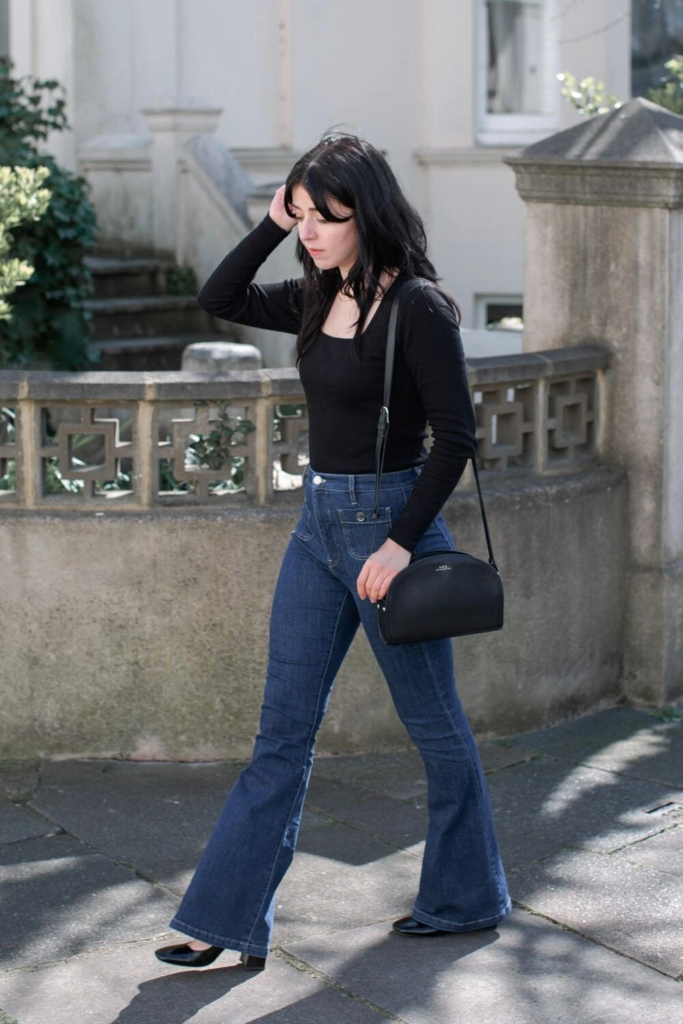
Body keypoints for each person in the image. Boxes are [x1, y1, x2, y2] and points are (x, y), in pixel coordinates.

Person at [155, 128, 511, 972]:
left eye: (327, 214)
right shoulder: (314, 294)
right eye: (303, 212)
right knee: (281, 733)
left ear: (369, 214)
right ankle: (225, 920)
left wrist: (394, 547)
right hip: (317, 527)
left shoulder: (417, 306)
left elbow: (456, 440)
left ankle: (465, 897)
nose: (311, 229)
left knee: (435, 728)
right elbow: (221, 293)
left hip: (392, 528)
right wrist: (274, 218)